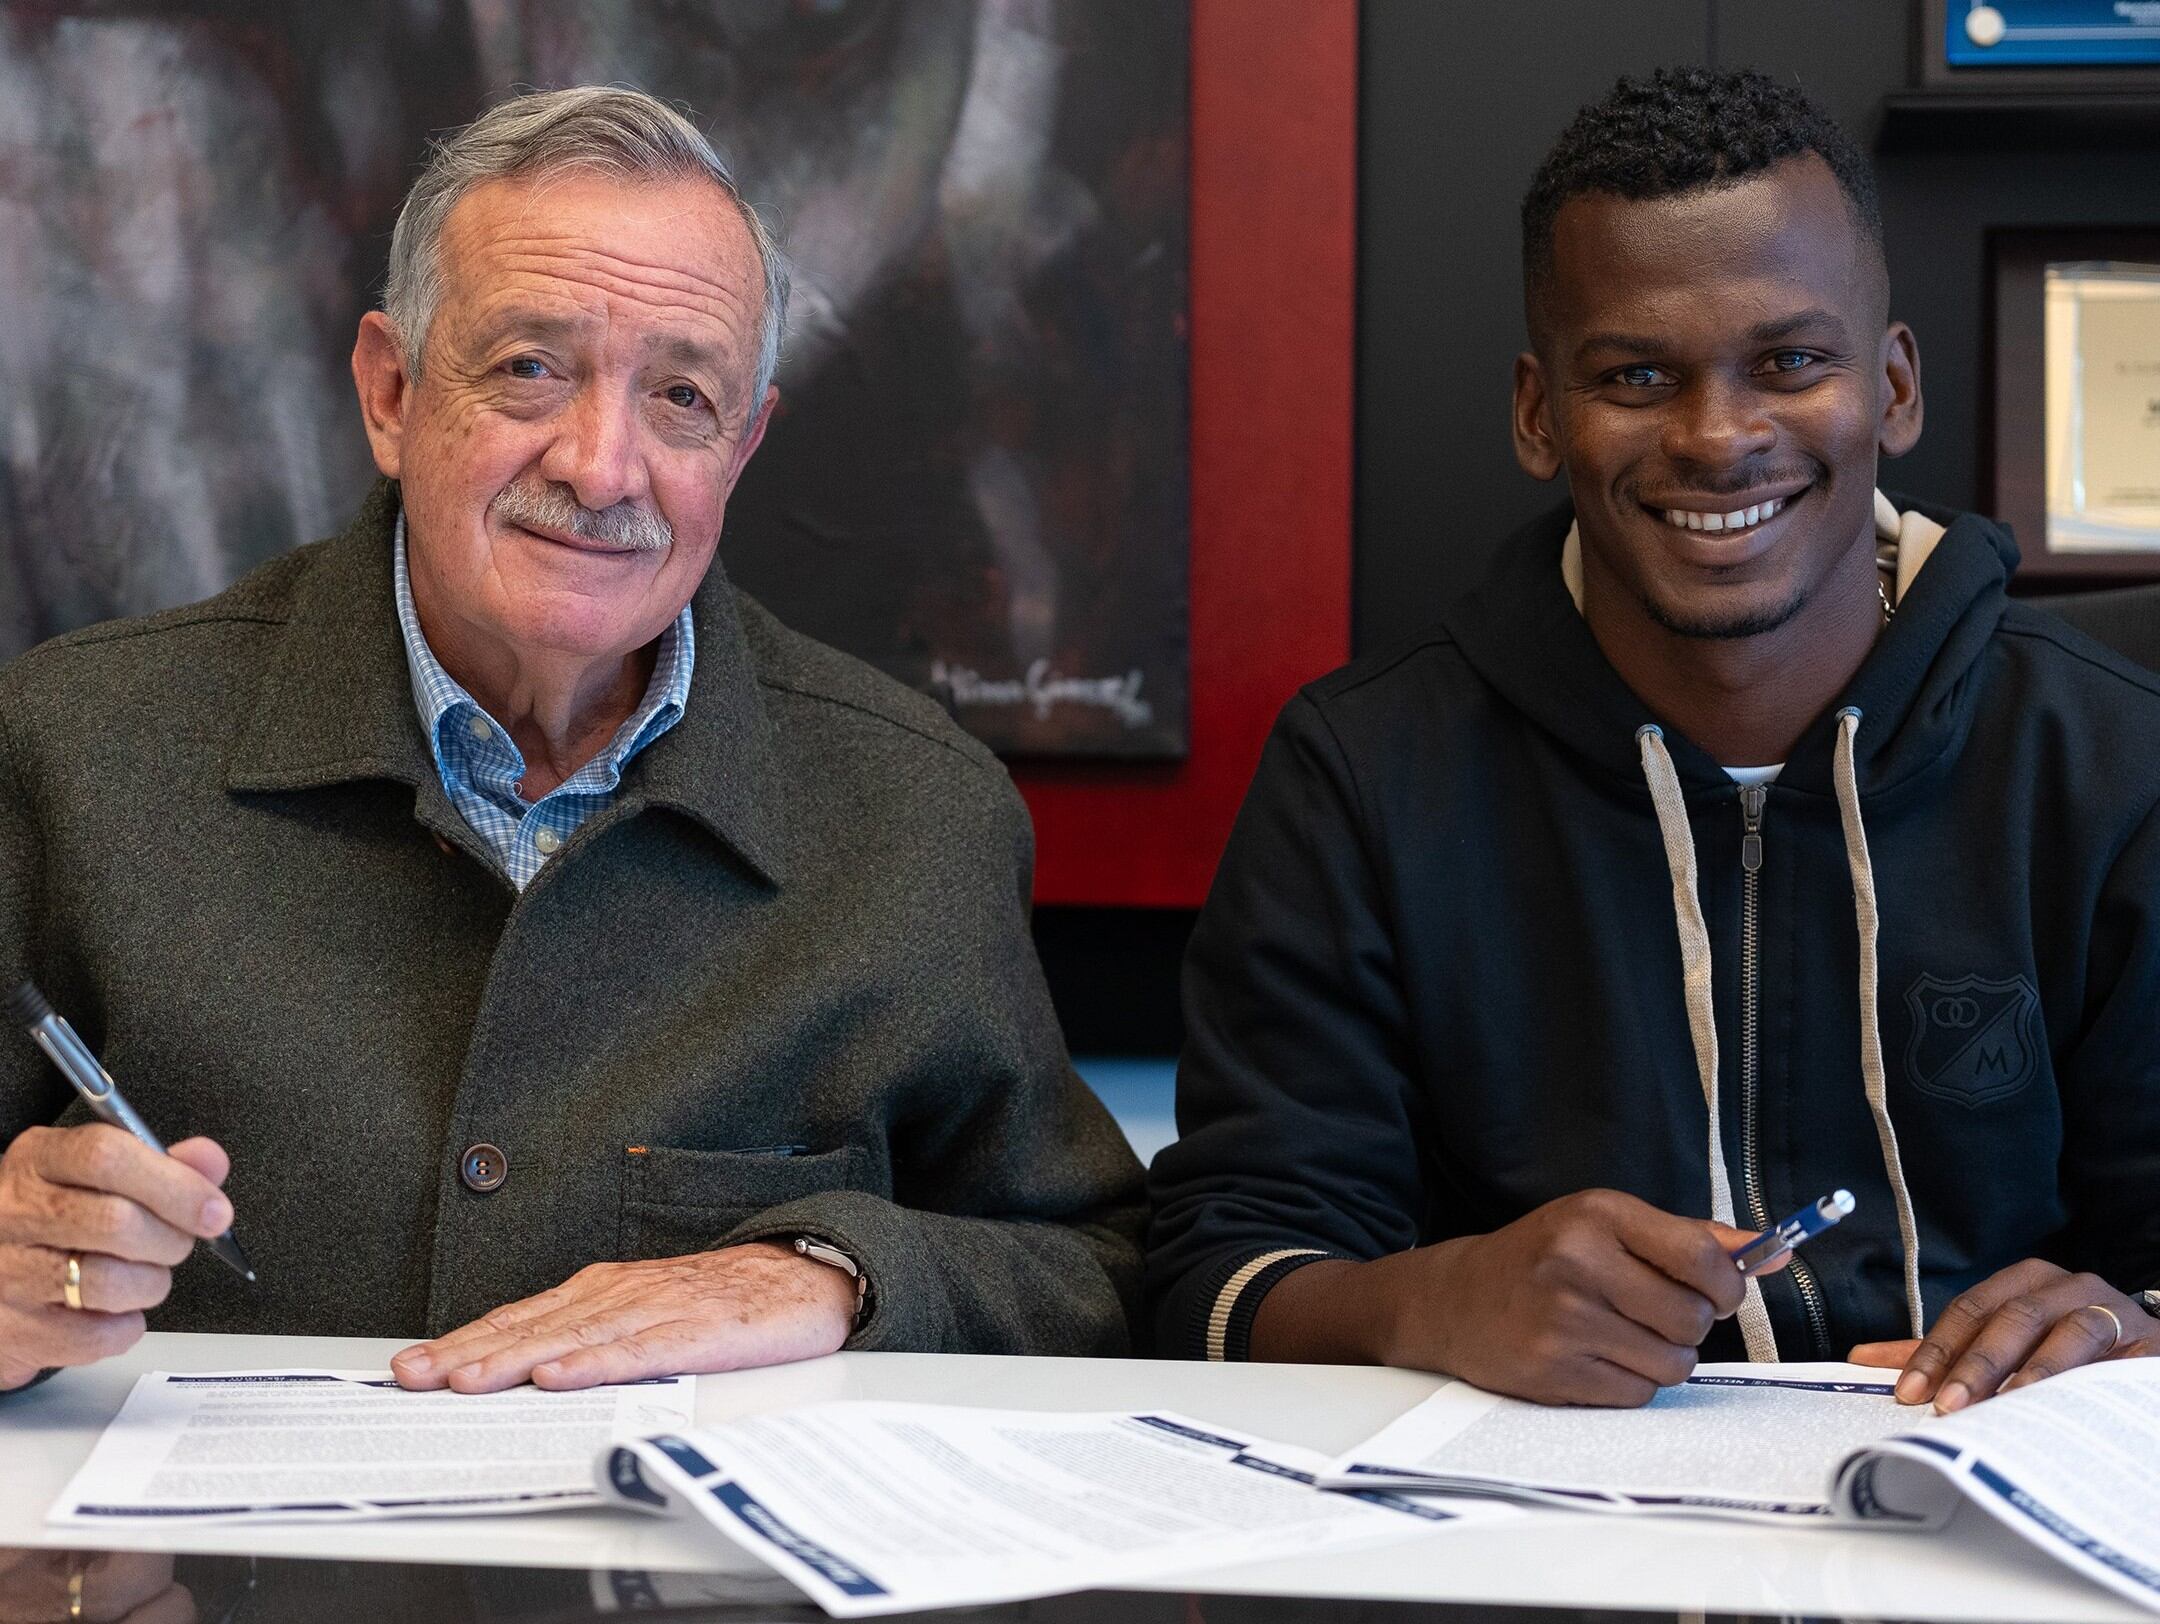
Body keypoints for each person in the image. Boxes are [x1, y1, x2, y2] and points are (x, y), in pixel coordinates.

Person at [0, 87, 1143, 1395]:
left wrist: (832, 1269)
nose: (603, 467)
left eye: (681, 397)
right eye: (531, 368)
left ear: (746, 443)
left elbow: (1095, 1265)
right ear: (390, 392)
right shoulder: (69, 749)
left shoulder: (916, 807)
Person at [1147, 68, 2160, 1409]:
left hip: (1982, 1538)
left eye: (1791, 362)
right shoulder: (1364, 775)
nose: (1718, 435)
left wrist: (2131, 1329)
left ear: (1895, 389)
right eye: (1635, 375)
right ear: (1537, 412)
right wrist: (1433, 1300)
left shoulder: (2111, 758)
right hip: (1537, 1554)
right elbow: (1207, 1275)